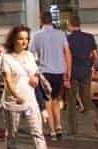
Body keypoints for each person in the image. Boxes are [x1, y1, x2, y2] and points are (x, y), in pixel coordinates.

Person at [0, 27, 58, 149]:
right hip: (12, 101)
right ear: (13, 40)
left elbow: (34, 73)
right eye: (21, 38)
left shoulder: (29, 56)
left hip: (30, 99)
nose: (24, 42)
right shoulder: (6, 58)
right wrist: (16, 94)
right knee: (12, 134)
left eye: (26, 39)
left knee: (37, 132)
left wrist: (35, 78)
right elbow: (7, 80)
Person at [30, 11, 70, 139]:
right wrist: (68, 71)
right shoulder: (61, 34)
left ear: (41, 20)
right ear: (52, 20)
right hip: (59, 72)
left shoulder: (36, 35)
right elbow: (67, 52)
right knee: (56, 100)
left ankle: (52, 131)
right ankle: (59, 127)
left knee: (47, 101)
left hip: (45, 72)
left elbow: (31, 54)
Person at [64, 15, 98, 138]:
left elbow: (66, 57)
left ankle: (73, 129)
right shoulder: (89, 37)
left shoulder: (67, 39)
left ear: (70, 25)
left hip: (72, 72)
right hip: (86, 72)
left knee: (71, 101)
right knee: (87, 100)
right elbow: (96, 56)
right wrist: (93, 67)